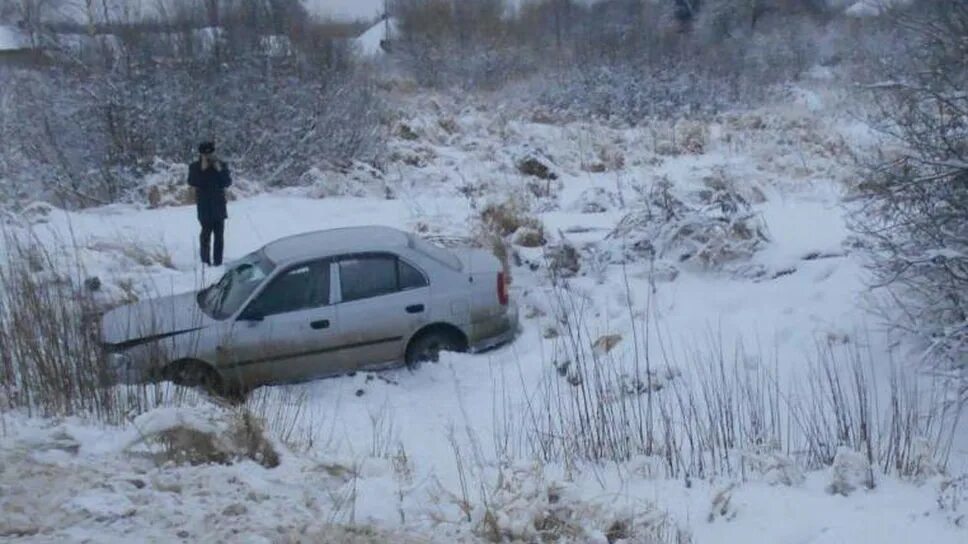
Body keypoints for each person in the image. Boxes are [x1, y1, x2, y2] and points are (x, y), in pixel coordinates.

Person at [187, 141, 232, 266]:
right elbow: (192, 182)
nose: (208, 156)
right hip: (204, 207)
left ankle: (218, 262)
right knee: (205, 235)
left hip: (219, 206)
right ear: (200, 154)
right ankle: (205, 262)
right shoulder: (195, 167)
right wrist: (202, 169)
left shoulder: (221, 165)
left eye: (210, 153)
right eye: (205, 154)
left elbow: (227, 182)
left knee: (219, 237)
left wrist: (219, 170)